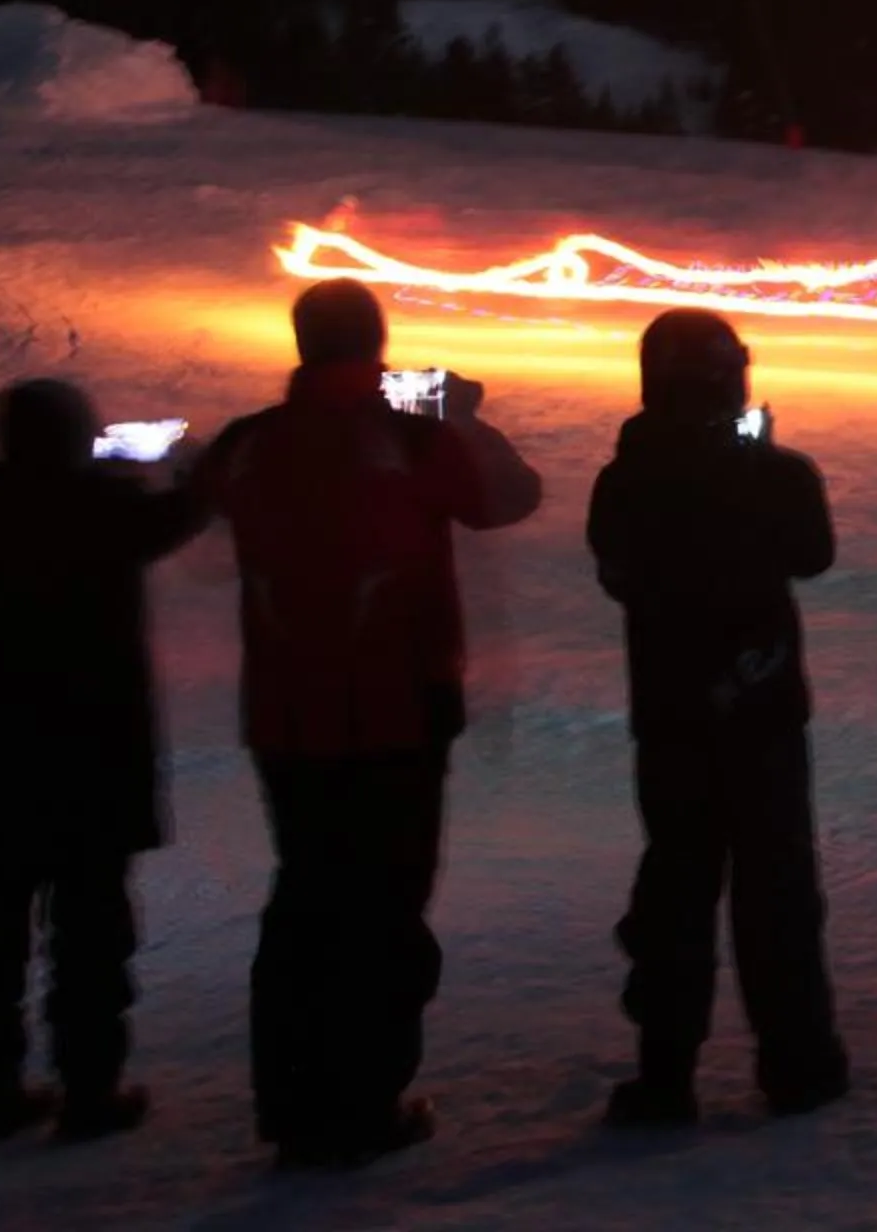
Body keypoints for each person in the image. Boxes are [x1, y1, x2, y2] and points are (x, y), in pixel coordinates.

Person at [196, 279, 541, 1171]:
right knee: (384, 905)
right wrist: (461, 417)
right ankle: (364, 1101)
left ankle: (294, 1102)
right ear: (376, 343)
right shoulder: (411, 437)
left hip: (285, 715)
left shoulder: (250, 442)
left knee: (305, 899)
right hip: (398, 708)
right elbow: (510, 497)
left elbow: (194, 508)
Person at [0, 379, 206, 1147]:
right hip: (88, 754)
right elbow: (171, 521)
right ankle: (89, 1090)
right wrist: (193, 475)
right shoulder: (93, 503)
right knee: (90, 932)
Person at [588, 309, 848, 1127]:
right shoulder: (774, 474)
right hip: (762, 712)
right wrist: (757, 467)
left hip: (671, 715)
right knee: (777, 891)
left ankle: (666, 1075)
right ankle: (798, 1065)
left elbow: (617, 575)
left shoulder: (625, 479)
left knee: (676, 887)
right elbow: (813, 554)